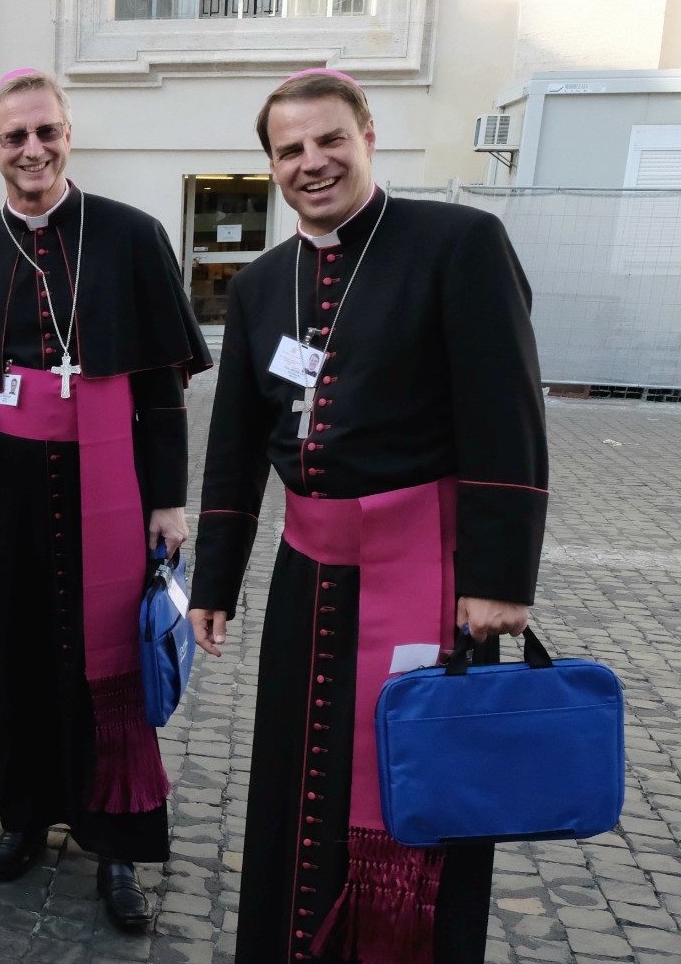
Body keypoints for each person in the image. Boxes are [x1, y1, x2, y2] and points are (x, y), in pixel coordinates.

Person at [191, 69, 547, 963]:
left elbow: (506, 417)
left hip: (429, 580)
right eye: (289, 150)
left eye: (328, 140)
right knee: (296, 781)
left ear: (368, 135)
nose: (312, 163)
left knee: (419, 783)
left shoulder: (458, 243)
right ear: (270, 165)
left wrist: (500, 582)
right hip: (308, 578)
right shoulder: (266, 281)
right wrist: (216, 581)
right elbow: (237, 439)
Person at [0, 68, 210, 928]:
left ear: (68, 134)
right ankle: (26, 814)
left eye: (47, 131)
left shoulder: (132, 236)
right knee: (11, 644)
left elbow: (162, 385)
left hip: (108, 482)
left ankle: (117, 844)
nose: (32, 149)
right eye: (14, 136)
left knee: (105, 652)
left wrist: (170, 498)